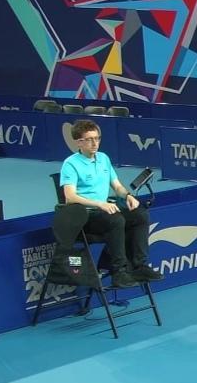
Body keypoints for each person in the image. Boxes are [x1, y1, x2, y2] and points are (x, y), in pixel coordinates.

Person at [58, 119, 163, 288]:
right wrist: (99, 204)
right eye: (89, 139)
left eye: (97, 138)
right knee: (116, 219)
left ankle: (139, 266)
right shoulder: (70, 164)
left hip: (105, 212)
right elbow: (70, 197)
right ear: (79, 142)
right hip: (84, 216)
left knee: (140, 215)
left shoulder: (103, 158)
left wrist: (128, 196)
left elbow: (117, 186)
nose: (95, 143)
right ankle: (119, 272)